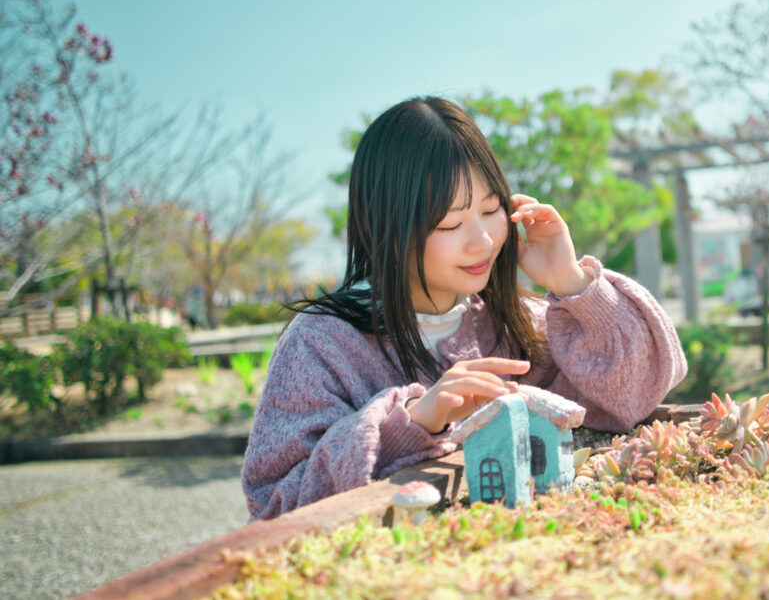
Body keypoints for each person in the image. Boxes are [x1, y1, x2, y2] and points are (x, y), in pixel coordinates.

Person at [241, 97, 687, 520]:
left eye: (492, 209)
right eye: (450, 223)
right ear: (385, 229)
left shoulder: (518, 325)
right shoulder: (322, 344)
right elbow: (276, 505)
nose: (484, 241)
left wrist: (573, 284)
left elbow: (636, 395)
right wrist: (413, 423)